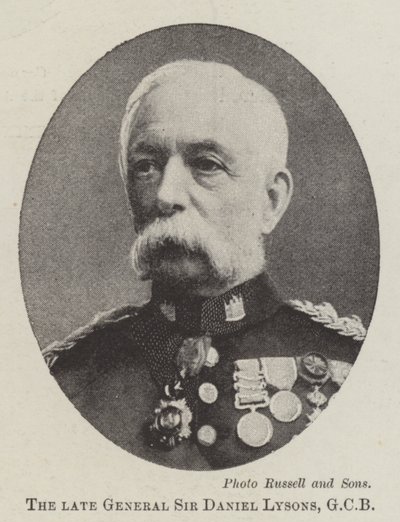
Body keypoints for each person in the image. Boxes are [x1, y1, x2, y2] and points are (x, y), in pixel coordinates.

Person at [42, 60, 366, 470]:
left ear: (271, 201)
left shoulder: (354, 369)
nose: (166, 194)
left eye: (207, 164)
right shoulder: (67, 381)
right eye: (146, 166)